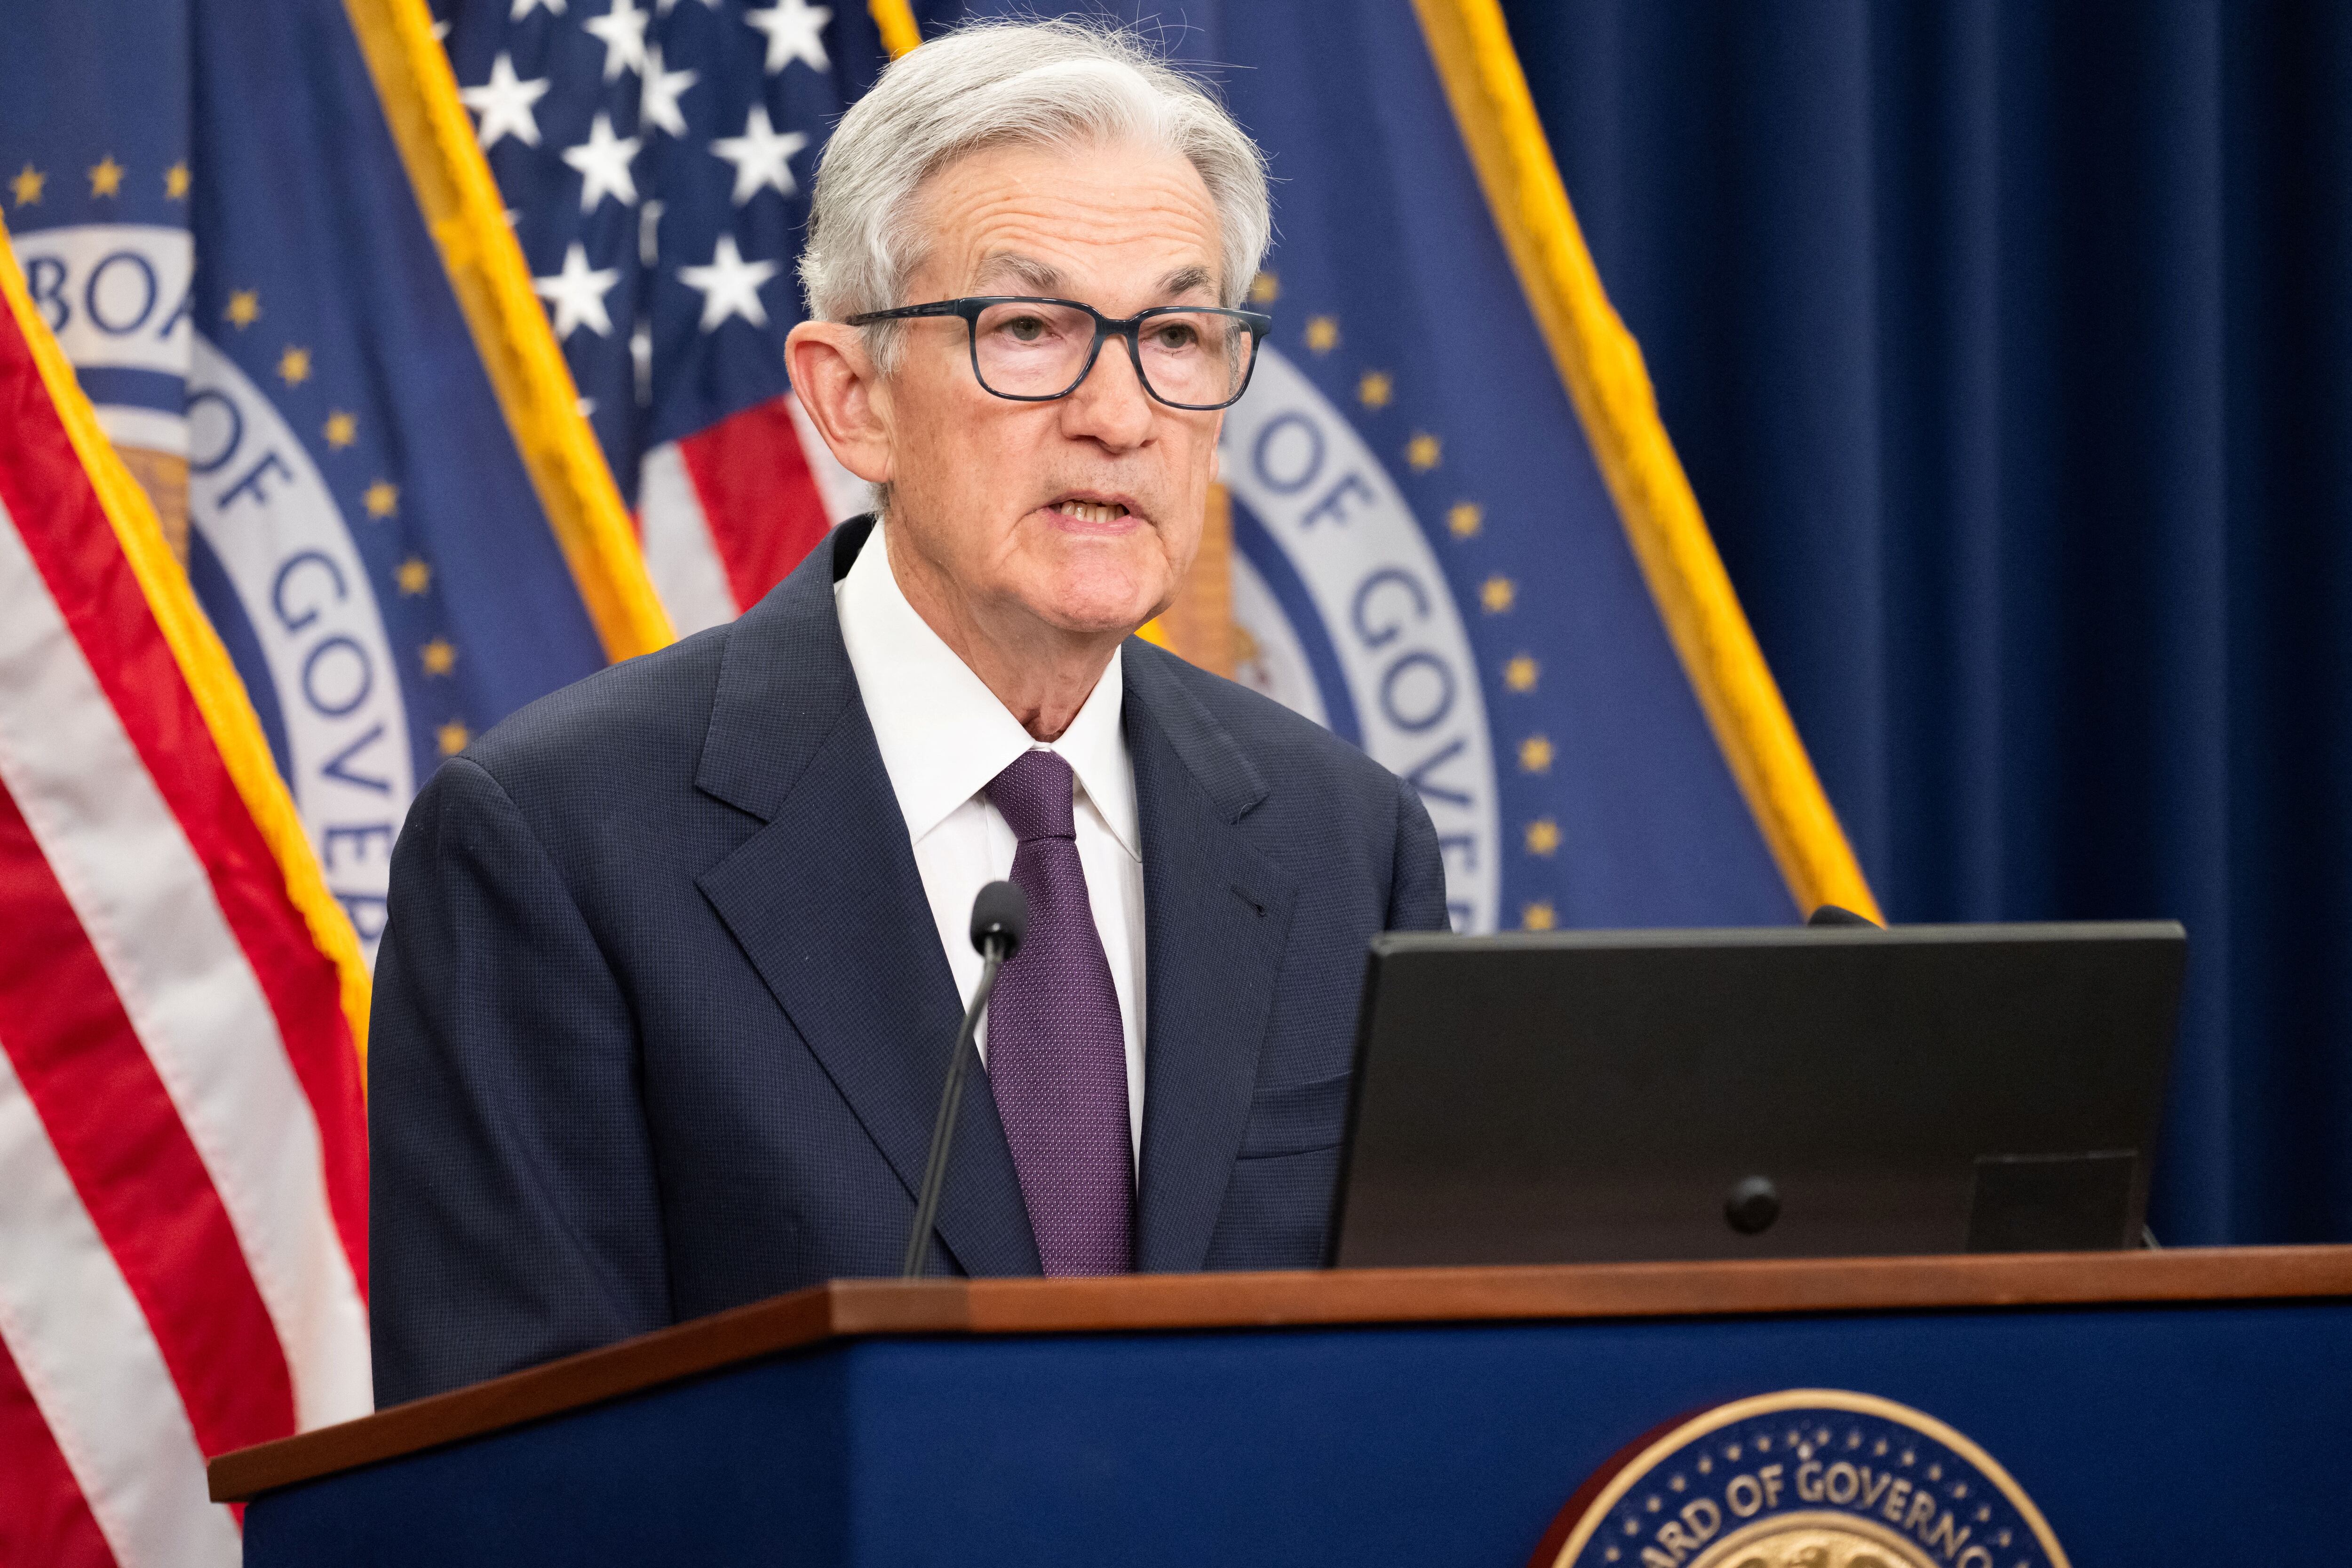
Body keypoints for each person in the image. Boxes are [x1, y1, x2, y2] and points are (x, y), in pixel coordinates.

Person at [367, 18, 1447, 1406]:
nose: (1119, 414)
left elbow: (1412, 1388)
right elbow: (512, 1475)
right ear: (852, 398)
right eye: (1031, 329)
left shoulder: (1345, 838)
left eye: (1177, 335)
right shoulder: (556, 849)